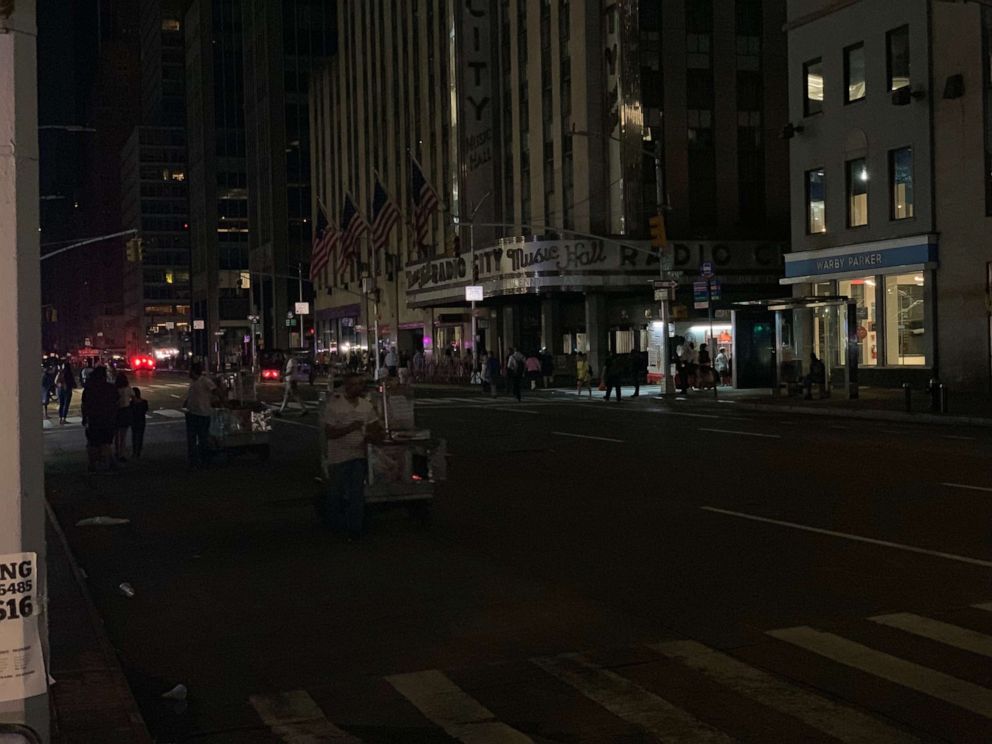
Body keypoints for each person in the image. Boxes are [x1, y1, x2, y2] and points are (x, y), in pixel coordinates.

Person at [320, 372, 384, 539]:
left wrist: (375, 434)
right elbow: (329, 433)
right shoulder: (335, 406)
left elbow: (375, 425)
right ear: (347, 386)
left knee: (356, 493)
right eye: (355, 384)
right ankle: (334, 525)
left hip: (358, 455)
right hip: (338, 457)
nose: (358, 387)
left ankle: (354, 528)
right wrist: (351, 427)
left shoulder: (365, 406)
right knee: (336, 493)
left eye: (360, 384)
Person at [81, 366, 119, 472]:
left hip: (93, 419)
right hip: (107, 418)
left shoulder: (89, 388)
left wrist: (85, 418)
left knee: (93, 442)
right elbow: (116, 402)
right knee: (106, 442)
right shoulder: (110, 388)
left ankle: (92, 464)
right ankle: (106, 463)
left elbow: (84, 405)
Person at [184, 362, 220, 467]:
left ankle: (205, 459)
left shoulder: (205, 381)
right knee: (191, 439)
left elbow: (216, 391)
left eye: (190, 370)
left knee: (203, 438)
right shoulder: (193, 382)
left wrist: (223, 401)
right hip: (192, 413)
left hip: (202, 414)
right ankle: (194, 460)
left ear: (194, 372)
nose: (188, 372)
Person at [113, 371, 132, 460]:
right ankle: (122, 453)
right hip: (126, 410)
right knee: (123, 435)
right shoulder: (128, 388)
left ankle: (117, 452)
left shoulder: (115, 388)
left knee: (116, 434)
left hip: (117, 411)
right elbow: (133, 397)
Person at [55, 359, 76, 425]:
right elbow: (73, 383)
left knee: (61, 404)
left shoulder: (61, 372)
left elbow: (55, 381)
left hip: (60, 389)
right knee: (66, 405)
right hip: (67, 390)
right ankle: (63, 418)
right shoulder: (69, 373)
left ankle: (60, 418)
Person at [130, 387, 149, 459]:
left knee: (134, 436)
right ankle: (138, 452)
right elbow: (146, 410)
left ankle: (135, 451)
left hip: (134, 421)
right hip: (141, 420)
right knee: (140, 436)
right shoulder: (144, 402)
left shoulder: (132, 403)